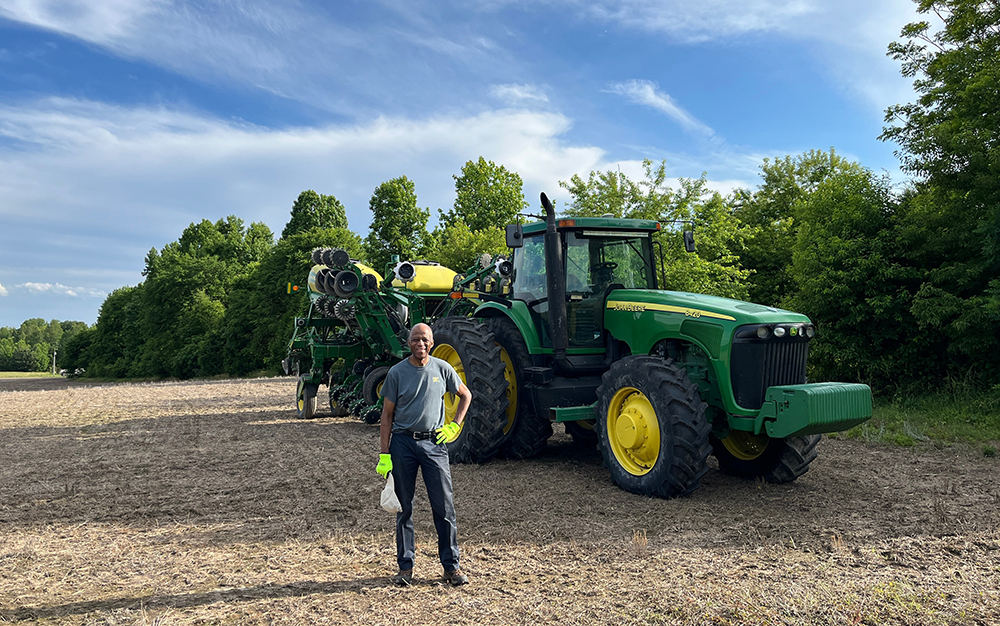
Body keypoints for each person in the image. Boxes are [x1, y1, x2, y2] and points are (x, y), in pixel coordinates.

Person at [375, 323, 473, 586]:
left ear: (432, 343)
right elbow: (387, 416)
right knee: (404, 508)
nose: (421, 344)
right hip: (403, 444)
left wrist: (454, 425)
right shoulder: (397, 373)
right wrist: (385, 454)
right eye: (416, 339)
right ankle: (405, 568)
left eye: (425, 340)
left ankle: (451, 566)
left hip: (434, 445)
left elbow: (466, 395)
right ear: (409, 343)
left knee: (444, 507)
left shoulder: (443, 369)